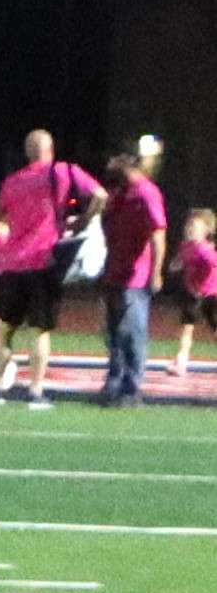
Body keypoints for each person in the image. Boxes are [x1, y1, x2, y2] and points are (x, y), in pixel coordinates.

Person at [0, 124, 100, 400]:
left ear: (27, 152)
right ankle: (35, 390)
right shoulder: (64, 171)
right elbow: (100, 196)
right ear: (50, 149)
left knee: (4, 328)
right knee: (39, 330)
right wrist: (81, 222)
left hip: (12, 262)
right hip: (44, 260)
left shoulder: (13, 181)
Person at [95, 145, 171, 406]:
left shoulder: (146, 193)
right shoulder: (121, 194)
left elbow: (157, 233)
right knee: (114, 333)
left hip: (134, 275)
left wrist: (156, 271)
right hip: (114, 270)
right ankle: (114, 383)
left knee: (132, 332)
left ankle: (131, 388)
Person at [172, 206, 217, 376]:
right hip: (193, 294)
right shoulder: (185, 246)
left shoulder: (206, 250)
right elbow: (180, 258)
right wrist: (176, 264)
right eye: (188, 226)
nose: (190, 229)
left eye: (195, 227)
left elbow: (213, 262)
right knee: (186, 328)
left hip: (211, 295)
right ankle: (181, 362)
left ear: (206, 231)